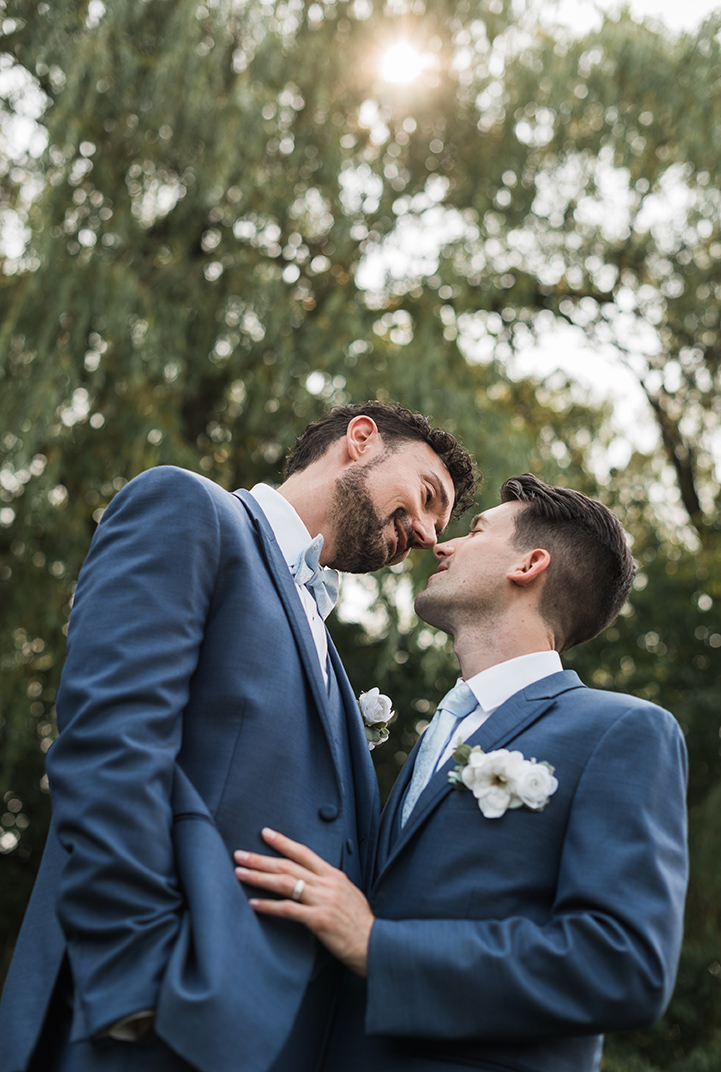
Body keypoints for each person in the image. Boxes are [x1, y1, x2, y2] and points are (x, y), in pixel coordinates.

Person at [0, 401, 478, 1072]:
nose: (428, 533)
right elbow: (112, 743)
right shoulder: (191, 510)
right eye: (427, 496)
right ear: (360, 440)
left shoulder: (329, 651)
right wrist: (139, 984)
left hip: (270, 1042)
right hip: (152, 1015)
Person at [234, 473, 689, 1072]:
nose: (439, 545)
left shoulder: (621, 733)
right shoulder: (435, 737)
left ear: (529, 565)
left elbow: (621, 965)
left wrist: (379, 947)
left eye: (475, 530)